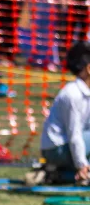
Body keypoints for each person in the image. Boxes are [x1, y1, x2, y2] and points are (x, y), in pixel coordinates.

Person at [30, 42, 90, 185]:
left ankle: (52, 175)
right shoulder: (72, 94)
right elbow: (74, 134)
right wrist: (81, 164)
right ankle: (76, 172)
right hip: (56, 148)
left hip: (68, 145)